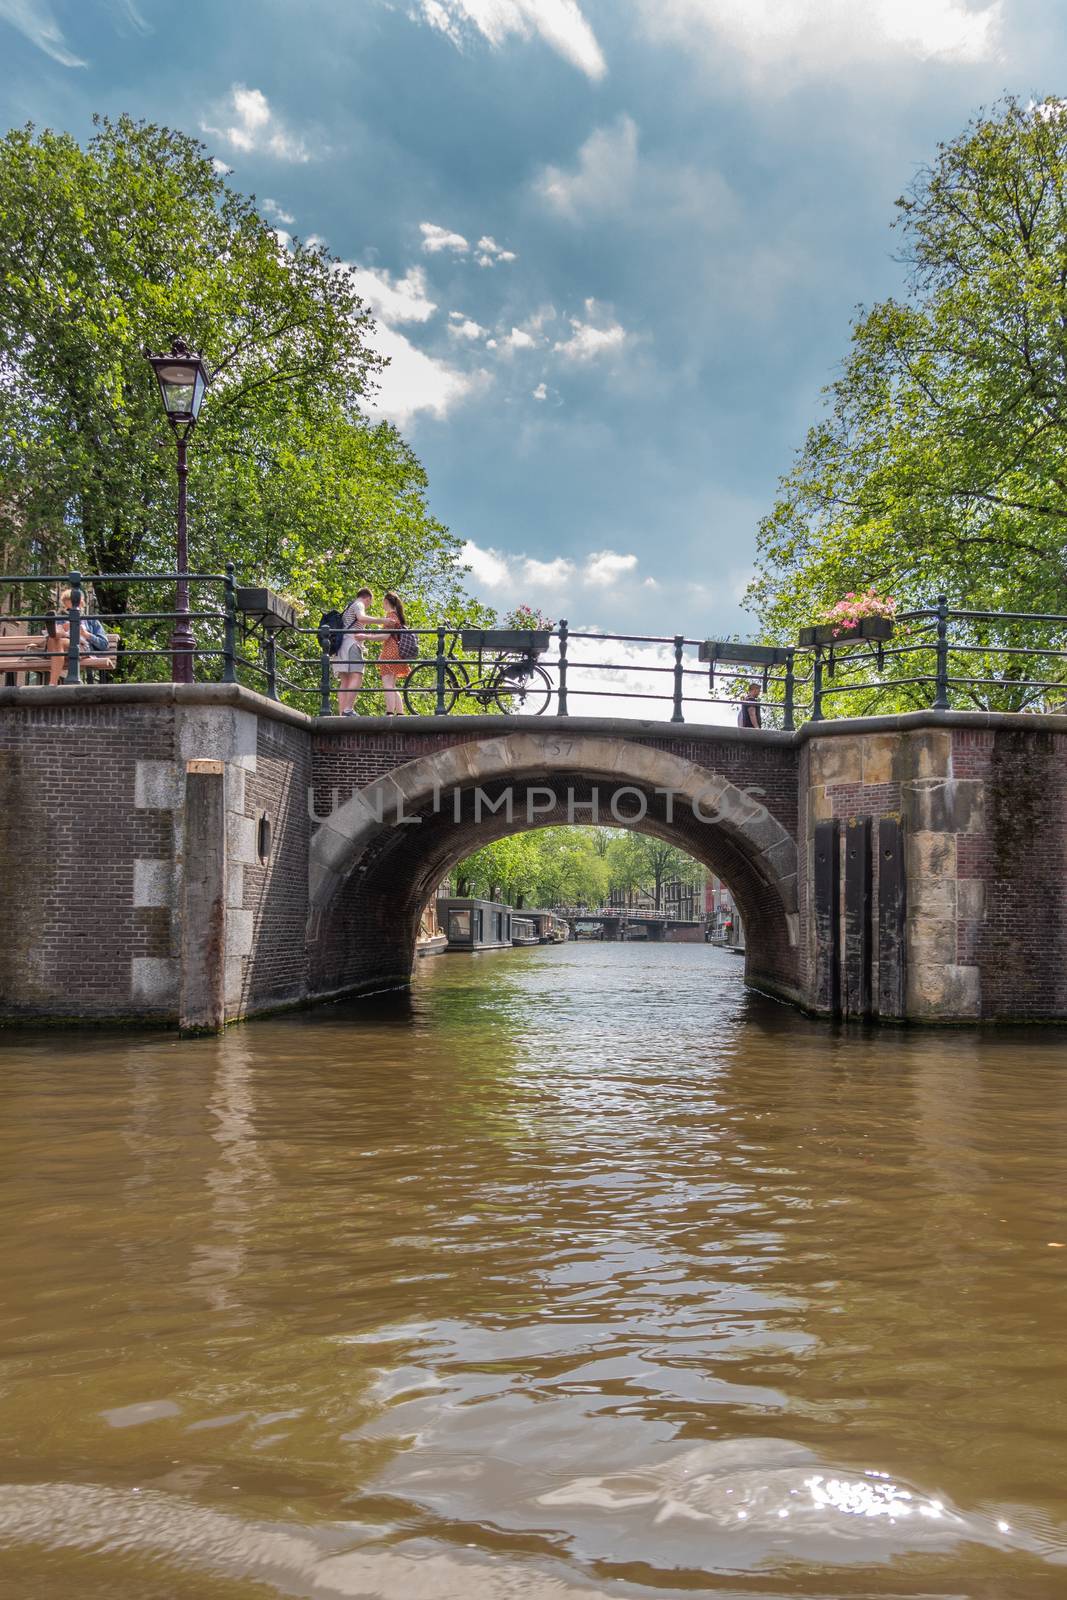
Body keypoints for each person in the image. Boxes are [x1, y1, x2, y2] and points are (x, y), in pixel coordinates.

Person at [333, 588, 381, 716]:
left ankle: (342, 712)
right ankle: (348, 709)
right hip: (352, 644)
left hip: (341, 646)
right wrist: (382, 621)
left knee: (345, 680)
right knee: (357, 675)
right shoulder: (359, 604)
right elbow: (362, 618)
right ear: (368, 598)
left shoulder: (349, 606)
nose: (369, 605)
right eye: (370, 602)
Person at [377, 590, 412, 715]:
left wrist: (365, 636)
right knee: (392, 684)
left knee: (387, 684)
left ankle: (390, 712)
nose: (382, 605)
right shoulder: (398, 616)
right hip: (398, 652)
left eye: (383, 602)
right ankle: (400, 713)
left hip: (390, 652)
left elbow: (384, 637)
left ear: (386, 602)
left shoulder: (390, 616)